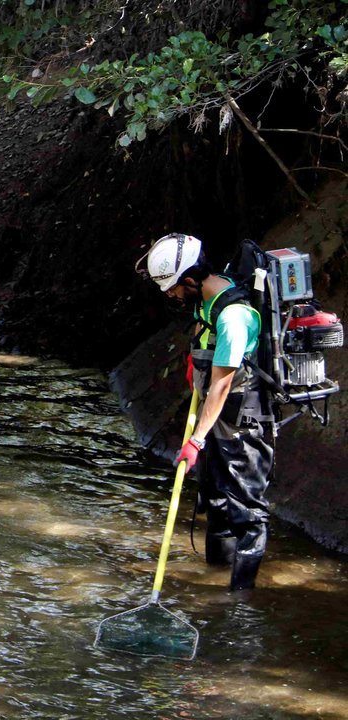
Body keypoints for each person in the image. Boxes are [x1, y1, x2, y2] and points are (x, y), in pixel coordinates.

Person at [137, 232, 274, 591]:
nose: (170, 295)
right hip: (215, 414)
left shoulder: (233, 318)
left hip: (241, 418)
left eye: (173, 288)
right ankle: (215, 574)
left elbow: (223, 383)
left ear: (191, 280)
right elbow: (201, 335)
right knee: (213, 495)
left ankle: (238, 602)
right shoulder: (207, 297)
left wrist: (195, 441)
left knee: (247, 510)